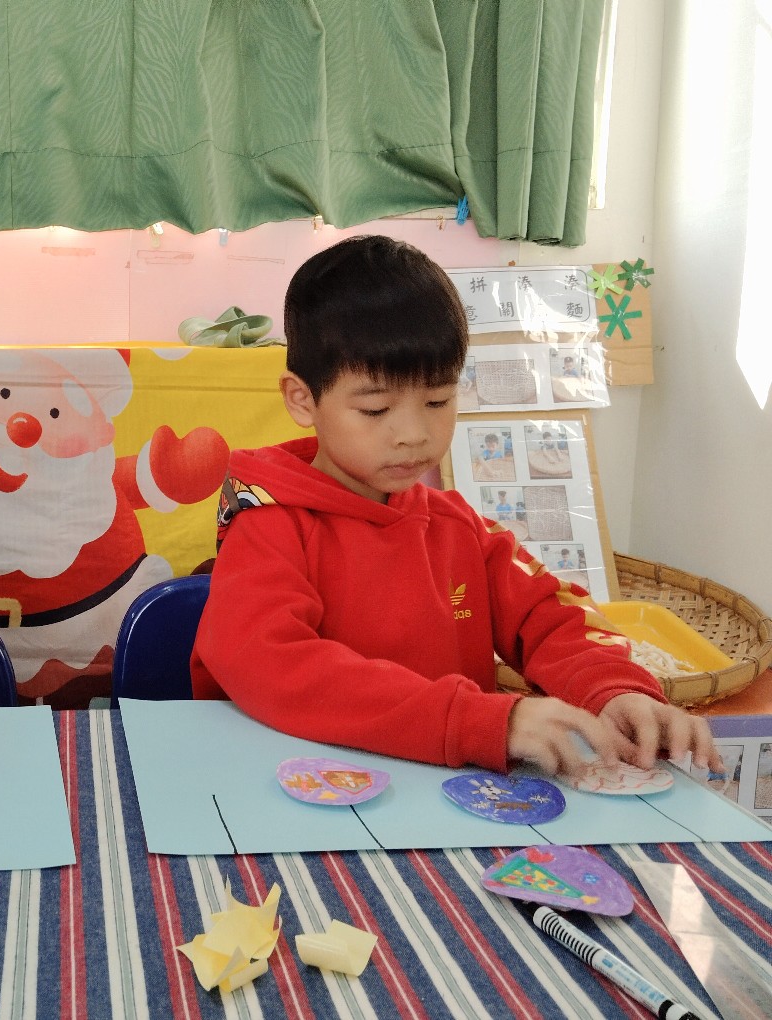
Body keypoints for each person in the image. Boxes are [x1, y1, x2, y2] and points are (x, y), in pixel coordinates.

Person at [190, 235, 719, 780]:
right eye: (376, 409)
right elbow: (267, 661)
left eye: (438, 400)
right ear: (303, 400)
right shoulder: (269, 524)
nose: (414, 434)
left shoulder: (457, 527)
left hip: (444, 793)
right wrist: (471, 720)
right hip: (298, 786)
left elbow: (550, 614)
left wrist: (614, 689)